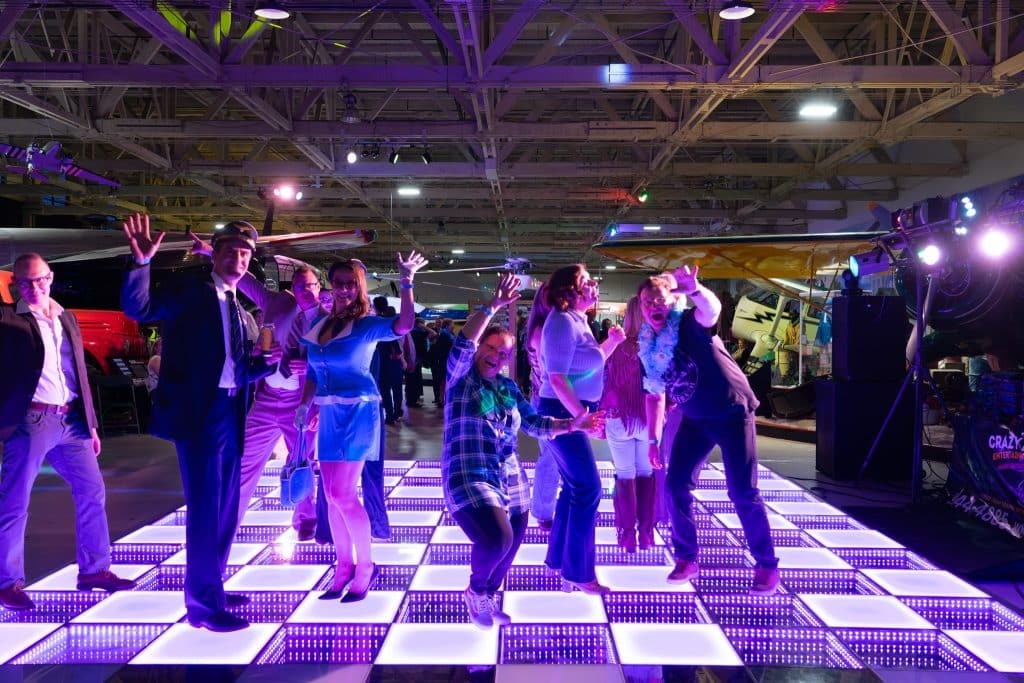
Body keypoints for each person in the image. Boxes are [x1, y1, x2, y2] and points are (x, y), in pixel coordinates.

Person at [121, 216, 275, 631]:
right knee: (206, 508)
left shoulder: (236, 306)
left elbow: (235, 370)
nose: (238, 259)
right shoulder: (192, 290)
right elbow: (139, 308)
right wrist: (141, 264)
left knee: (225, 508)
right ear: (215, 254)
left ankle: (213, 586)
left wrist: (267, 365)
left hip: (231, 411)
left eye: (245, 254)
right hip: (199, 415)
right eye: (231, 252)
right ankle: (203, 606)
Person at [443, 274, 603, 628]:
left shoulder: (507, 387)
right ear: (479, 348)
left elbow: (533, 423)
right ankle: (475, 590)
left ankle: (488, 594)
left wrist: (572, 424)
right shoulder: (461, 380)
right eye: (491, 348)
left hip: (509, 475)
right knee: (496, 539)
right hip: (469, 474)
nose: (496, 356)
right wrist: (493, 306)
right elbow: (463, 343)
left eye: (504, 353)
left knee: (513, 540)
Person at [0, 253, 136, 611]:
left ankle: (94, 570)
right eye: (25, 281)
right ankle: (7, 583)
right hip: (31, 421)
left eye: (40, 279)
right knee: (14, 502)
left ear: (51, 277)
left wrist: (91, 423)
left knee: (92, 492)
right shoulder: (6, 319)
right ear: (14, 284)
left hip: (72, 422)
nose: (34, 287)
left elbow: (77, 370)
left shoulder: (66, 317)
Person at [637, 267, 779, 596]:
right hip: (695, 419)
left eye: (659, 300)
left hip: (732, 412)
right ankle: (687, 557)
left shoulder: (688, 323)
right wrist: (653, 439)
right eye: (647, 302)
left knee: (742, 492)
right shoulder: (649, 346)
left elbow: (711, 311)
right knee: (675, 486)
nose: (653, 306)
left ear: (673, 301)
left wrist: (695, 289)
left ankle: (766, 564)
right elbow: (655, 395)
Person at [295, 252, 427, 602]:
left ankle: (365, 565)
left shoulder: (367, 324)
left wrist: (407, 281)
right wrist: (305, 405)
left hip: (359, 412)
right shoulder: (321, 324)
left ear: (359, 287)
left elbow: (404, 325)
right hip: (329, 413)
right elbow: (312, 373)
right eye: (338, 283)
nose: (343, 289)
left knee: (342, 493)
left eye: (350, 284)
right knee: (329, 494)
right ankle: (343, 566)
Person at [538, 264, 623, 594]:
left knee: (575, 488)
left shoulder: (577, 320)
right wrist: (580, 417)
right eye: (587, 281)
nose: (594, 285)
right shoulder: (561, 321)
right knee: (588, 489)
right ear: (569, 290)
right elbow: (557, 378)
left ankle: (560, 561)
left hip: (569, 412)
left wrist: (611, 343)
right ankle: (579, 572)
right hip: (560, 413)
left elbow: (588, 364)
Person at [599, 296, 655, 553]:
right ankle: (646, 533)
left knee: (624, 474)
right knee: (646, 474)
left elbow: (602, 381)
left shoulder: (615, 347)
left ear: (628, 317)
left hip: (619, 419)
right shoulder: (656, 347)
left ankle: (627, 534)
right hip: (648, 420)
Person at [525, 285, 559, 531]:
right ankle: (543, 512)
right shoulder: (540, 331)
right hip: (548, 401)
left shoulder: (551, 327)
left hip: (550, 399)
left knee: (555, 458)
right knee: (550, 459)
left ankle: (546, 510)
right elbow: (551, 374)